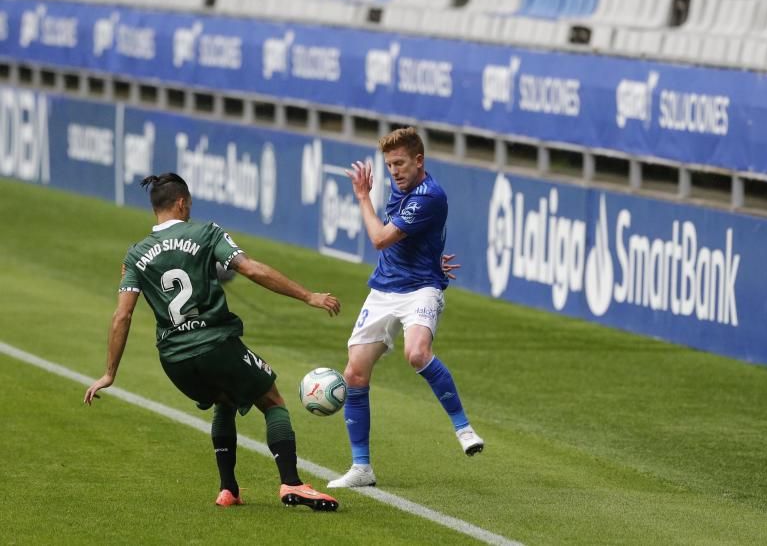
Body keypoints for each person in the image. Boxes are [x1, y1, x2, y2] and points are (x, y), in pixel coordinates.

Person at [84, 172, 341, 511]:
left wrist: (109, 373)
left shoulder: (135, 255)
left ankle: (229, 489)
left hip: (175, 361)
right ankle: (292, 484)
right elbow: (251, 269)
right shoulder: (206, 233)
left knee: (224, 401)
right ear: (181, 202)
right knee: (273, 400)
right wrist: (308, 296)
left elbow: (122, 316)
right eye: (188, 204)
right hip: (215, 344)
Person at [327, 127, 483, 489]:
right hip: (384, 289)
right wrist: (432, 256)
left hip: (420, 291)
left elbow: (380, 239)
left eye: (400, 163)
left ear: (419, 161)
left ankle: (463, 428)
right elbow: (416, 238)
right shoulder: (402, 185)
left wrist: (363, 197)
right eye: (389, 165)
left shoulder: (430, 195)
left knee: (417, 353)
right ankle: (362, 468)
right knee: (354, 374)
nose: (394, 171)